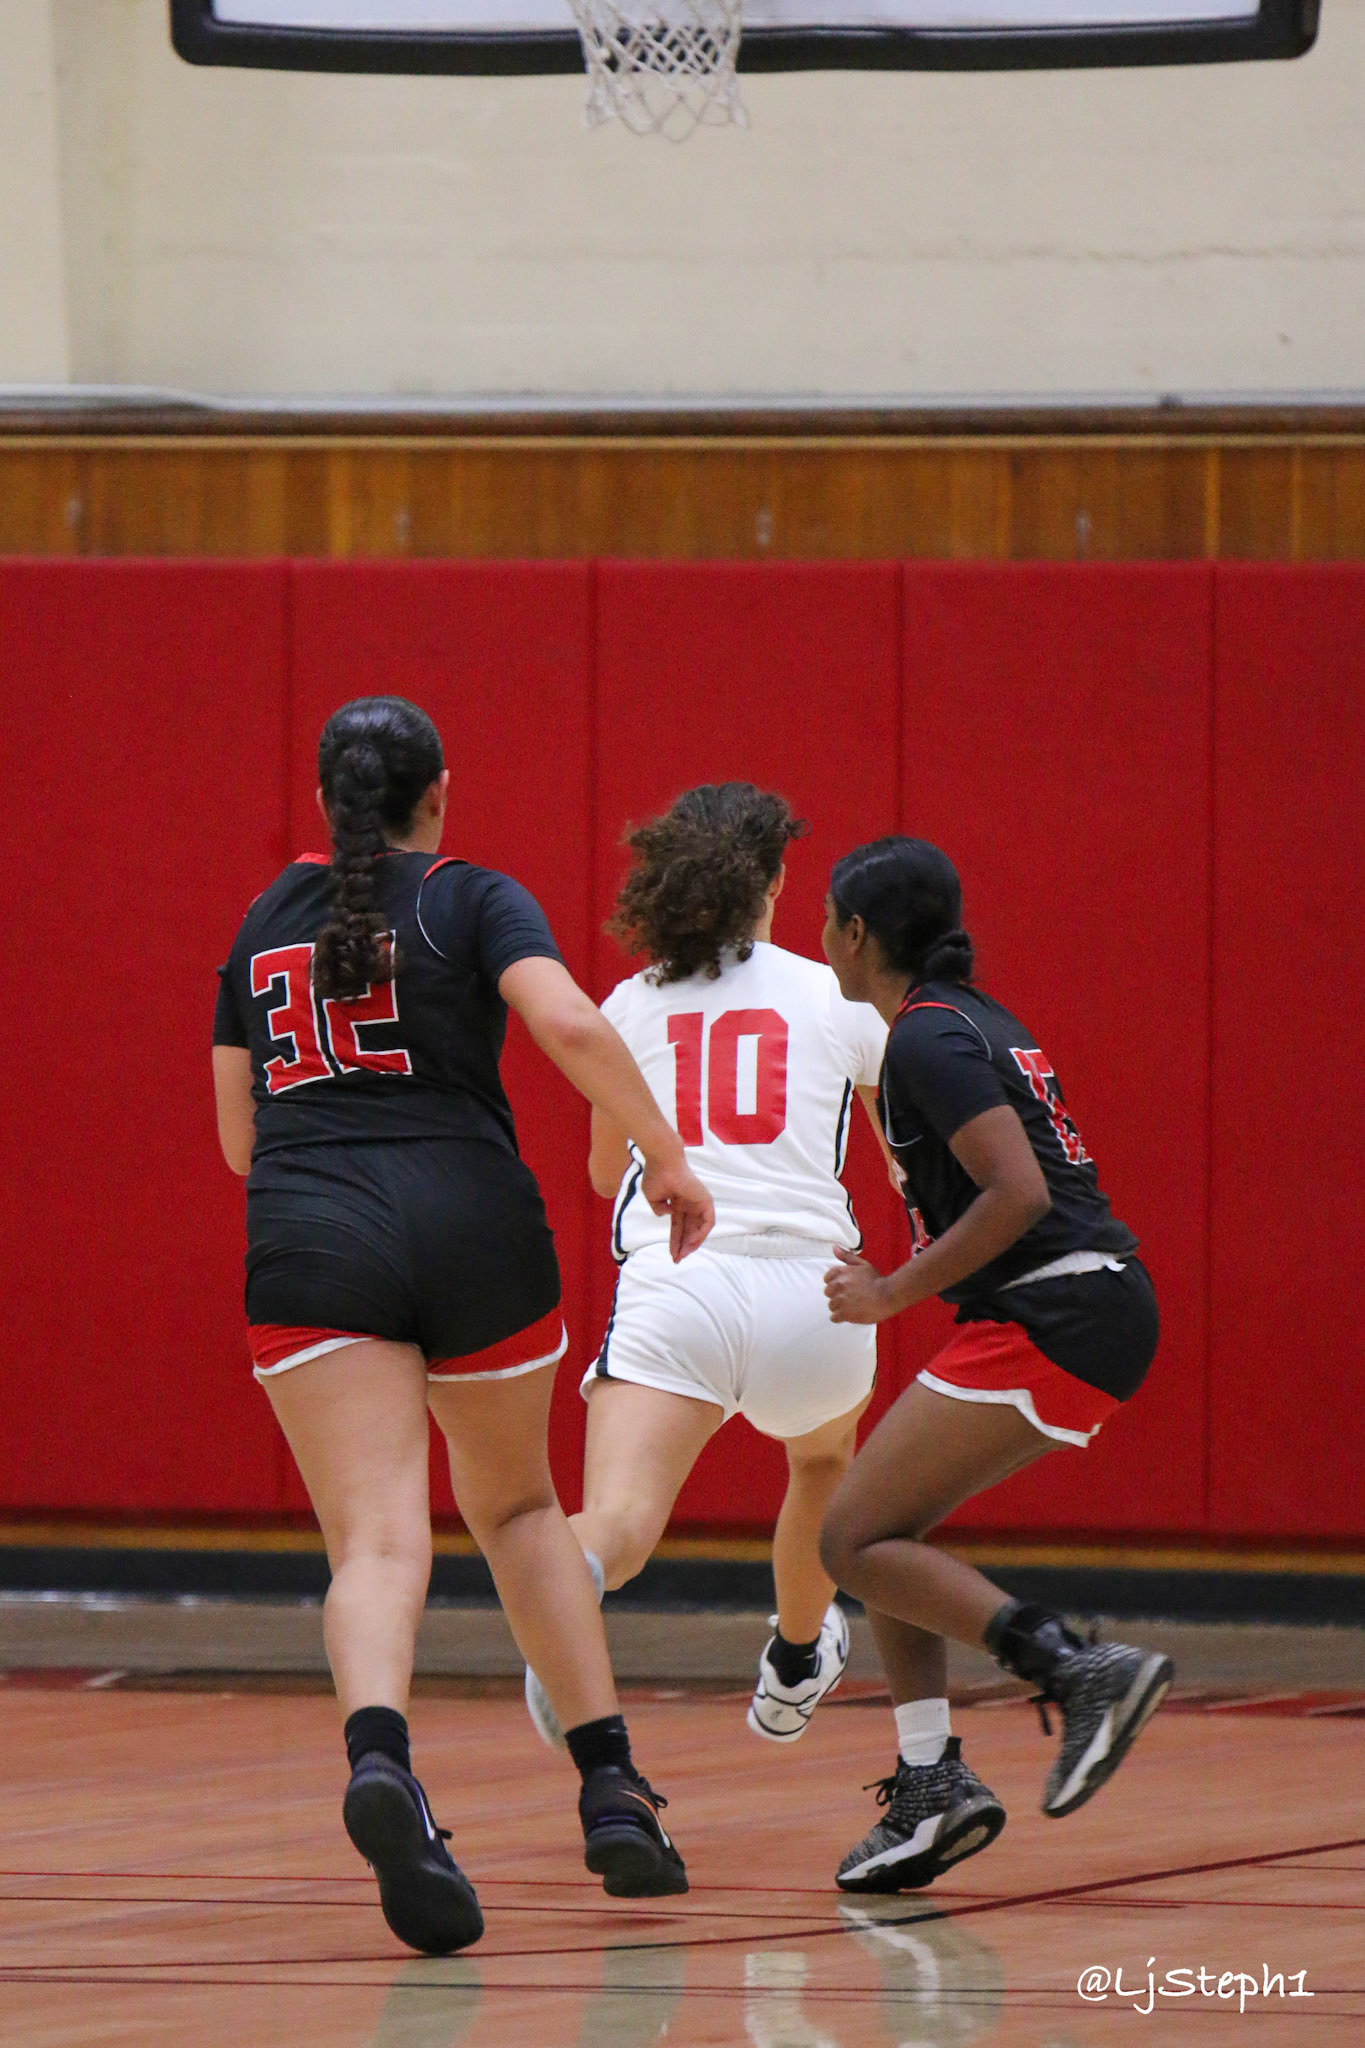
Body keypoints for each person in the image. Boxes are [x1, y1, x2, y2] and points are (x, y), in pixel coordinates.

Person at [211, 697, 713, 1954]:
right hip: (474, 1225)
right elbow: (570, 1022)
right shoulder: (472, 896)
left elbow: (237, 1140)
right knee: (523, 1509)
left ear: (325, 797)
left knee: (377, 1543)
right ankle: (613, 1790)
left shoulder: (260, 925)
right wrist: (664, 1155)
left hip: (314, 1236)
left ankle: (383, 1760)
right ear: (438, 790)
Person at [817, 836, 1172, 1894]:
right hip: (1077, 1301)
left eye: (829, 920)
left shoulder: (927, 1036)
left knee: (850, 1538)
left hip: (1060, 1302)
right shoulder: (966, 1019)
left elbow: (1017, 1194)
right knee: (884, 1537)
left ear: (858, 934)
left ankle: (1075, 1664)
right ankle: (931, 1784)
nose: (821, 938)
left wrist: (890, 1292)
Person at [522, 783, 890, 1753]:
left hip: (681, 1282)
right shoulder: (837, 994)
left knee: (619, 1523)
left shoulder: (628, 1004)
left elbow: (603, 1172)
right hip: (817, 1298)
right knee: (820, 1458)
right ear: (775, 881)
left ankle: (567, 1602)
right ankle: (798, 1659)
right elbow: (909, 1155)